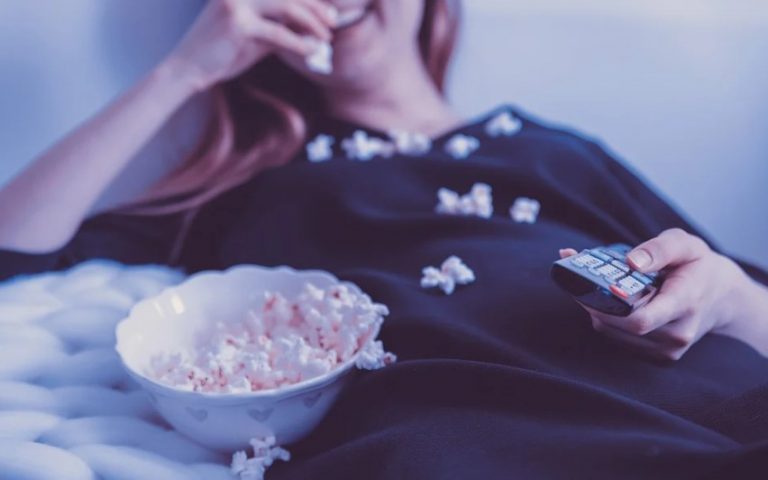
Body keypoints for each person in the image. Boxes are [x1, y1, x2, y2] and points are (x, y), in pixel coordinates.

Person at [1, 0, 767, 477]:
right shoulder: (259, 185)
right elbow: (15, 251)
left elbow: (747, 300)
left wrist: (728, 297)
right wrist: (185, 71)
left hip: (703, 405)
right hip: (468, 435)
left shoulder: (551, 148)